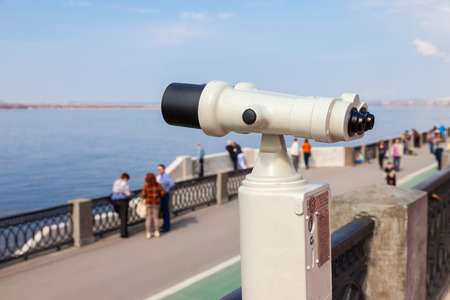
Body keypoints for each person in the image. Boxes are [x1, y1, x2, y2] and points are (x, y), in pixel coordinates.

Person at [142, 173, 164, 239]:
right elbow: (162, 194)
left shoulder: (146, 185)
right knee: (155, 218)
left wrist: (147, 196)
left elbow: (143, 195)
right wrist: (158, 196)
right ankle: (157, 232)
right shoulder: (158, 185)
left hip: (148, 203)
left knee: (148, 218)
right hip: (156, 203)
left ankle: (148, 233)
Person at [111, 173, 133, 238]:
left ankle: (122, 230)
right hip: (123, 201)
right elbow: (127, 193)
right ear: (125, 178)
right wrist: (131, 194)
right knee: (124, 218)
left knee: (121, 215)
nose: (127, 180)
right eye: (127, 179)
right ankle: (124, 234)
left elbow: (114, 190)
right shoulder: (125, 184)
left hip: (115, 201)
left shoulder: (116, 182)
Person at [157, 164, 175, 232]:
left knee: (165, 211)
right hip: (162, 195)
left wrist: (167, 188)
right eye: (158, 169)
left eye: (160, 169)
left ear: (163, 170)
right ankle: (165, 224)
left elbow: (172, 183)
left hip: (164, 195)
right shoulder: (162, 176)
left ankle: (167, 227)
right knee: (164, 211)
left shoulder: (165, 176)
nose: (158, 171)